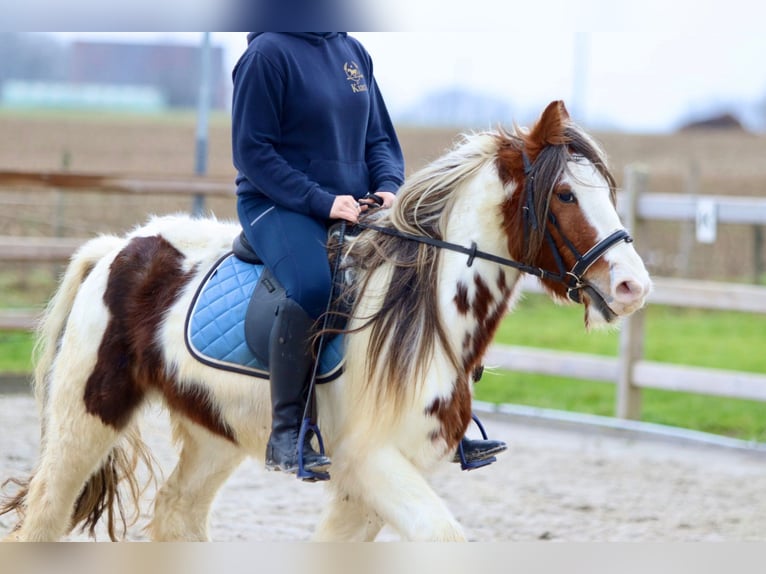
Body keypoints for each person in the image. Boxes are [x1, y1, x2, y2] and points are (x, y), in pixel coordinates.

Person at [231, 32, 506, 476]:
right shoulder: (266, 56)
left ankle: (447, 420)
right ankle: (286, 434)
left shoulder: (352, 51)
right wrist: (321, 201)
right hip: (276, 203)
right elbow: (252, 152)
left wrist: (388, 187)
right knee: (313, 286)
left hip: (357, 203)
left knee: (422, 272)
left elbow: (380, 139)